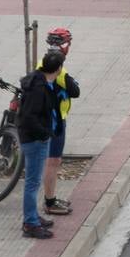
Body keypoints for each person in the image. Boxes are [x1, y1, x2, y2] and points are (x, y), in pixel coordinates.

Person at [17, 50, 63, 238]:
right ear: (58, 68)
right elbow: (29, 117)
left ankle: (33, 216)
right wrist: (45, 134)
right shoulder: (40, 88)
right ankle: (30, 223)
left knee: (33, 182)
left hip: (32, 138)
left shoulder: (37, 79)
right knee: (33, 182)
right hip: (35, 140)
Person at [37, 29, 79, 217]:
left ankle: (51, 198)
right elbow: (75, 90)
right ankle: (49, 202)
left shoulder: (43, 61)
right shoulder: (58, 68)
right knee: (52, 162)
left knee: (53, 161)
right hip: (54, 122)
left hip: (50, 119)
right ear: (65, 46)